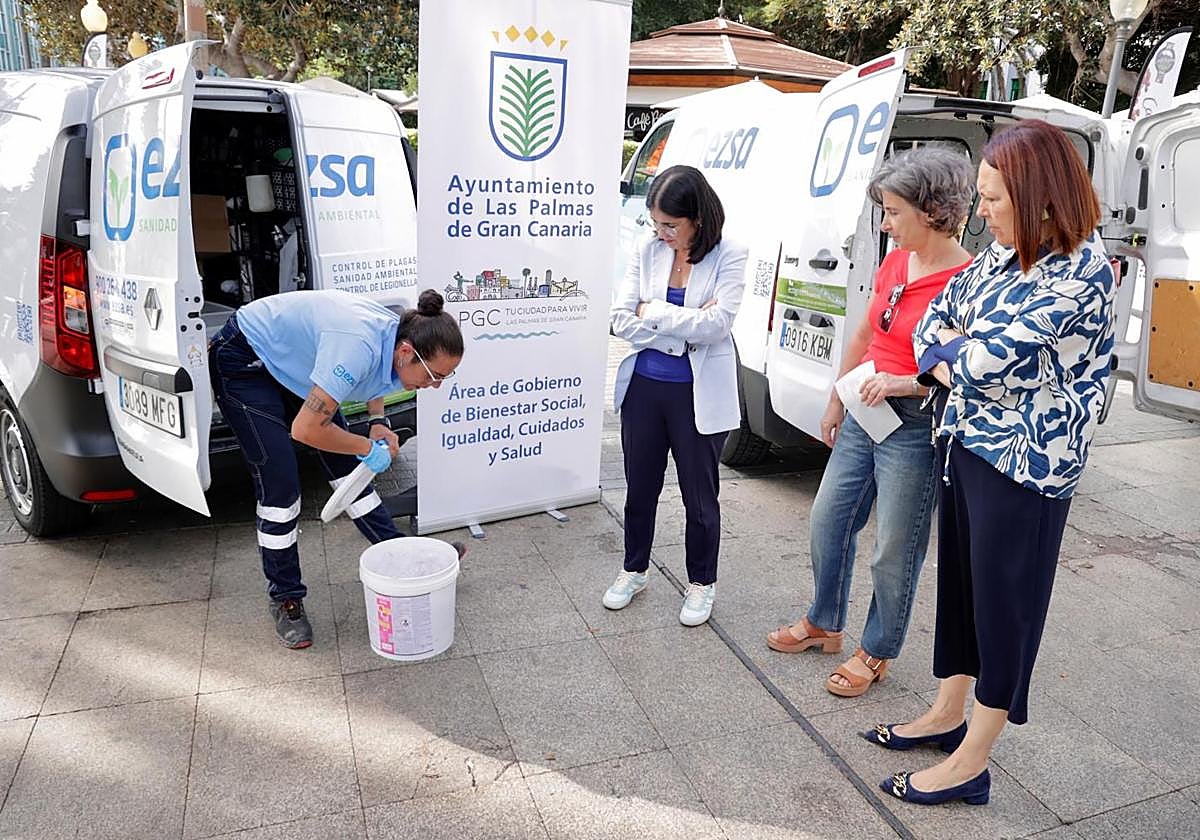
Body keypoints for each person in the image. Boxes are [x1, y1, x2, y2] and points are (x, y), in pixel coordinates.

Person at [869, 120, 1116, 806]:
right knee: (964, 593)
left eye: (993, 198)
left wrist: (956, 355)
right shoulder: (1004, 256)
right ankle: (948, 712)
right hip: (970, 442)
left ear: (1039, 197)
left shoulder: (1082, 270)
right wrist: (953, 354)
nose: (980, 211)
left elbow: (983, 361)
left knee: (1005, 609)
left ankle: (972, 761)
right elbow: (932, 326)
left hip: (1027, 469)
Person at [764, 147, 975, 697]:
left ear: (933, 211)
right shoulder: (897, 262)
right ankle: (824, 622)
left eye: (894, 212)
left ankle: (877, 649)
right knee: (828, 520)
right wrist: (836, 400)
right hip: (865, 409)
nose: (885, 224)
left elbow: (965, 369)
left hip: (917, 422)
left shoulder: (968, 281)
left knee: (895, 549)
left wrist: (905, 383)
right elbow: (866, 332)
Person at [208, 288, 464, 649]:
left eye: (444, 378)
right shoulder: (355, 346)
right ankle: (286, 598)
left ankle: (403, 558)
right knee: (280, 485)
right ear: (408, 352)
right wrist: (365, 447)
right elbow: (306, 430)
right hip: (244, 359)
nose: (435, 385)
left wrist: (378, 421)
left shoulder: (398, 333)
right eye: (433, 375)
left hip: (292, 360)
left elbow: (377, 371)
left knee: (347, 469)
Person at [606, 165, 747, 626]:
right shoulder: (647, 248)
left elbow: (718, 325)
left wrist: (652, 311)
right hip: (644, 388)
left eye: (671, 225)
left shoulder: (729, 254)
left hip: (698, 395)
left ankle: (702, 583)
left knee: (699, 497)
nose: (661, 233)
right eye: (656, 223)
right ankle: (634, 569)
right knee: (639, 488)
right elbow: (619, 318)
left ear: (697, 219)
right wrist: (682, 325)